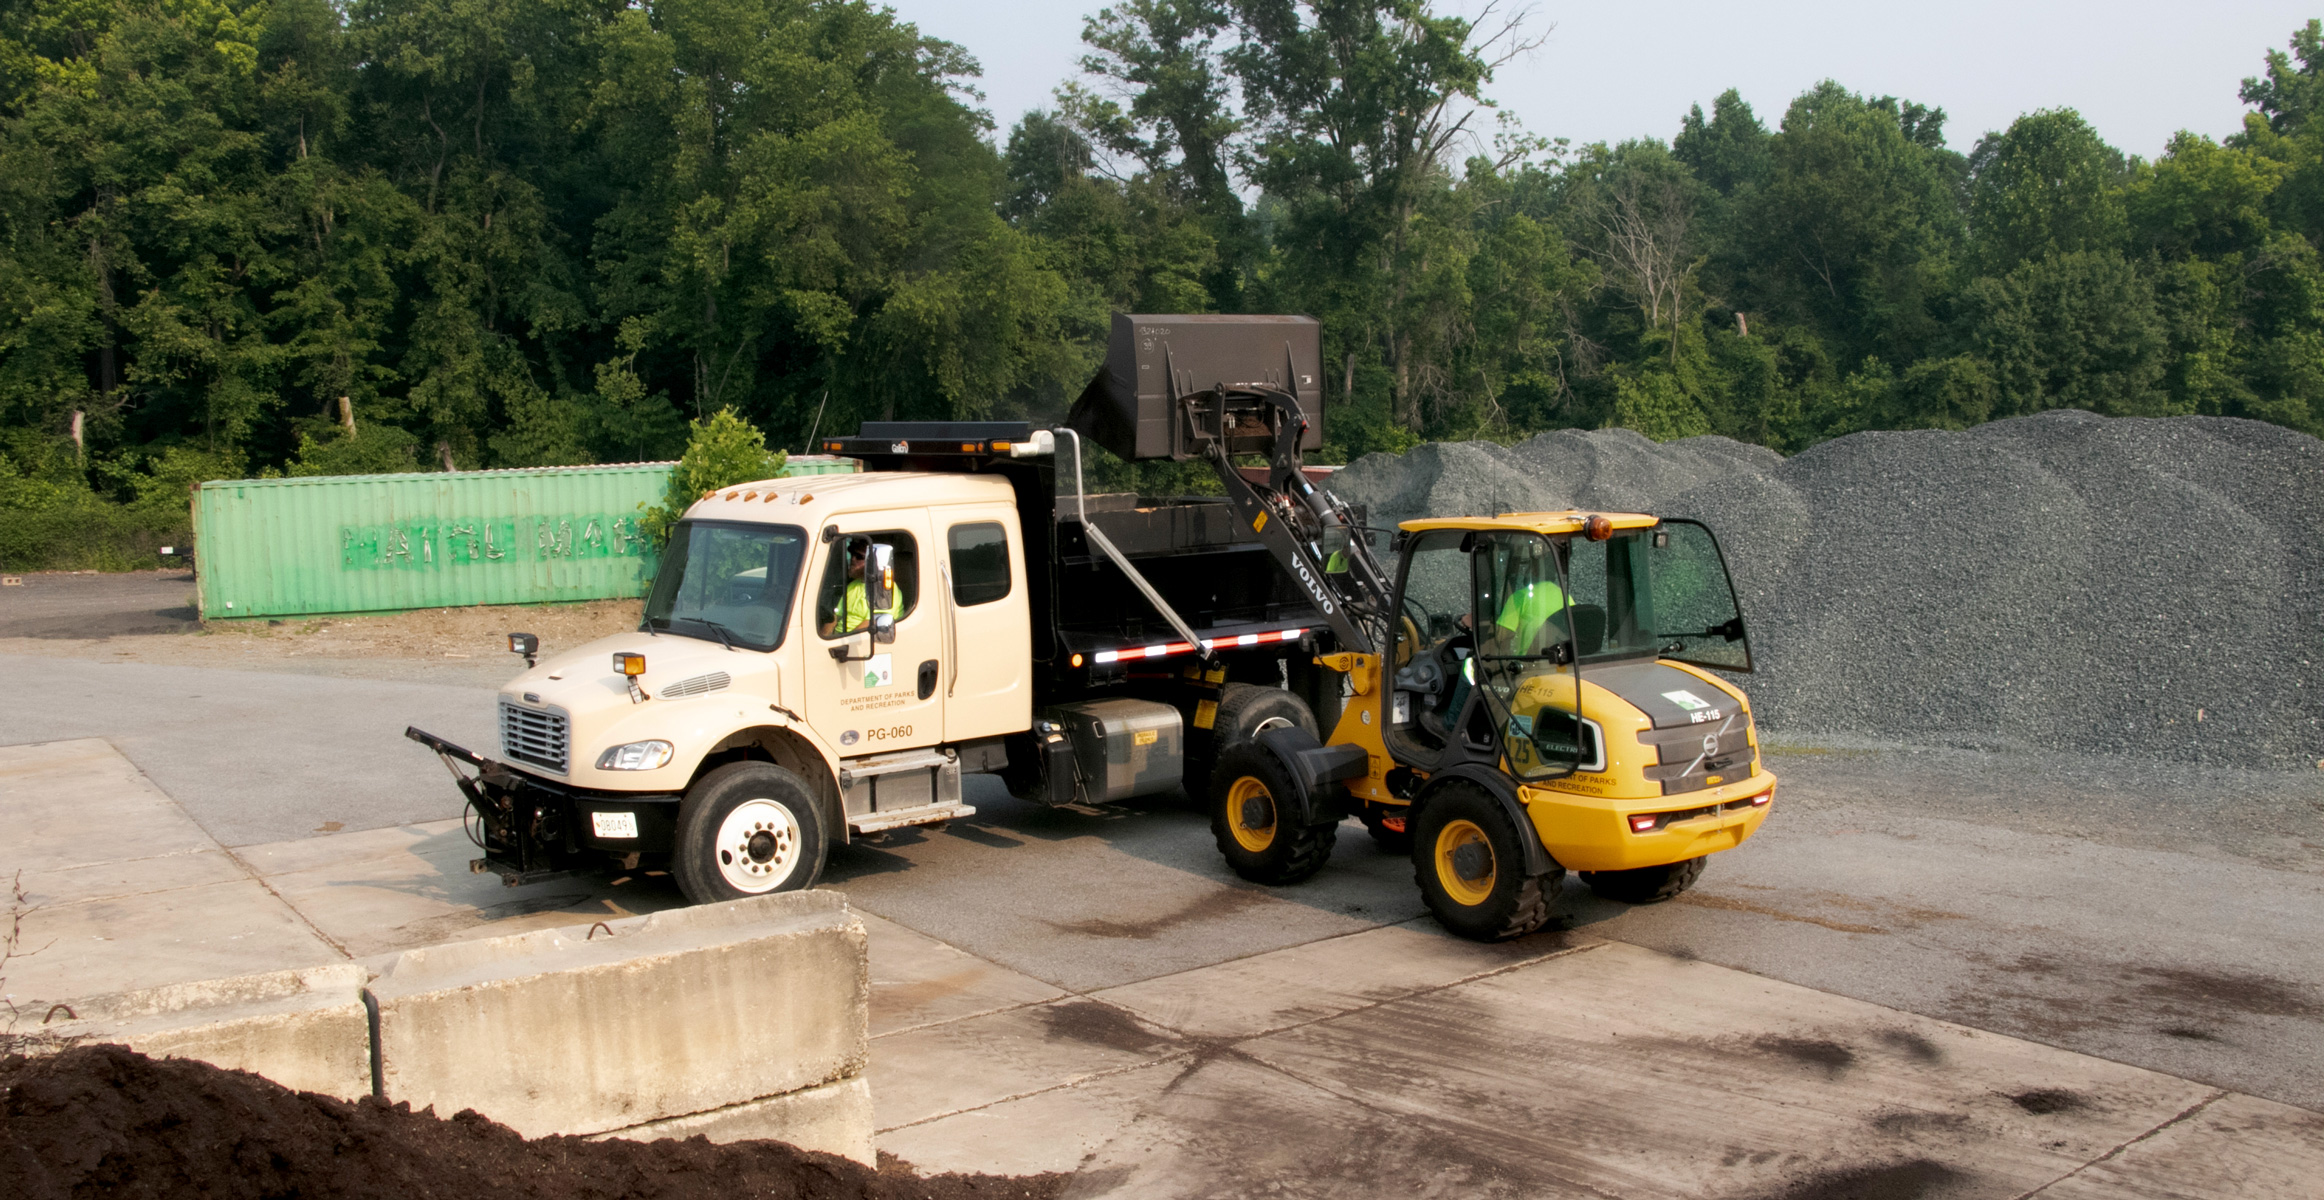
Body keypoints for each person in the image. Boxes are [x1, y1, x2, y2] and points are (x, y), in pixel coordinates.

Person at [823, 539, 900, 636]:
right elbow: (834, 619)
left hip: (857, 642)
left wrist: (843, 642)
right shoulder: (852, 585)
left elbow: (874, 621)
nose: (852, 559)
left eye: (859, 557)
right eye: (852, 554)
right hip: (838, 640)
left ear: (873, 562)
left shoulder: (884, 588)